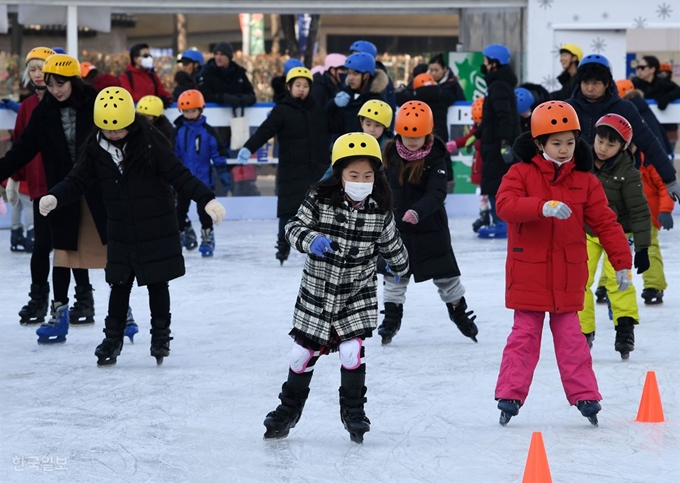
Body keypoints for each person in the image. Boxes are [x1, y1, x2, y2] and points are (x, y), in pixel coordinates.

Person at [38, 87, 226, 366]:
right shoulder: (95, 147)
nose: (113, 135)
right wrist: (55, 196)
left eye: (119, 130)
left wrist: (207, 199)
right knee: (119, 284)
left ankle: (161, 336)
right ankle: (112, 339)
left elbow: (178, 173)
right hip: (121, 228)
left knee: (157, 283)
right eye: (107, 130)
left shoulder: (150, 142)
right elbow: (77, 180)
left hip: (156, 225)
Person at [262, 132, 409, 443]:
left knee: (351, 350)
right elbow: (293, 227)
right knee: (301, 355)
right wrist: (310, 239)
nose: (361, 180)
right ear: (340, 174)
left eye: (367, 175)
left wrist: (401, 267)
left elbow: (392, 244)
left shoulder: (379, 209)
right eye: (353, 175)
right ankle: (287, 410)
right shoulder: (319, 199)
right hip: (318, 292)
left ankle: (354, 412)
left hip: (357, 293)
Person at [494, 101, 632, 426]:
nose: (564, 149)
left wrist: (622, 262)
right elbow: (505, 205)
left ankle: (586, 396)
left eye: (570, 142)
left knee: (573, 340)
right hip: (529, 272)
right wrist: (541, 206)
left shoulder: (585, 181)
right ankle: (510, 396)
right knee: (524, 337)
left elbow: (606, 224)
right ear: (539, 143)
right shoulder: (520, 173)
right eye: (556, 143)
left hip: (568, 276)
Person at [0, 54, 107, 342]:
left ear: (74, 81)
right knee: (62, 253)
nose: (55, 90)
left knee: (112, 251)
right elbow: (23, 149)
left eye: (60, 84)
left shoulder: (95, 101)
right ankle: (59, 312)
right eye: (50, 84)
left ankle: (124, 311)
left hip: (97, 189)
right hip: (61, 190)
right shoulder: (44, 110)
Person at [378, 101, 479, 345]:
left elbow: (437, 192)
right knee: (394, 277)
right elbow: (380, 184)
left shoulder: (436, 157)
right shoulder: (390, 153)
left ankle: (458, 312)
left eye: (418, 136)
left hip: (431, 229)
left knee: (447, 278)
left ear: (428, 133)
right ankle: (391, 318)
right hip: (398, 230)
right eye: (407, 135)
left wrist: (417, 211)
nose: (412, 141)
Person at [237, 67, 330, 265]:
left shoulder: (318, 109)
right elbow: (265, 131)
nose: (301, 90)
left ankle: (321, 248)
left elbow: (335, 127)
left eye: (305, 86)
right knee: (288, 211)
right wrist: (248, 147)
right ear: (289, 87)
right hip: (291, 169)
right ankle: (283, 247)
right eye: (297, 85)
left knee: (320, 210)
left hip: (317, 169)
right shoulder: (282, 110)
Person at [578, 113, 651, 360]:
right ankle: (583, 331)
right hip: (587, 233)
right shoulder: (580, 163)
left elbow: (640, 211)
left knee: (619, 281)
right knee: (580, 280)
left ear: (623, 146)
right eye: (600, 141)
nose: (603, 148)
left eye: (611, 144)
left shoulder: (628, 174)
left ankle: (624, 328)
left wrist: (641, 248)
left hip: (619, 234)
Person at [565, 54, 680, 202]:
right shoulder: (567, 108)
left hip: (617, 183)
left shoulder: (625, 109)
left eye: (595, 83)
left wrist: (669, 179)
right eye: (585, 82)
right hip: (576, 181)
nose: (589, 88)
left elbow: (649, 143)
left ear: (607, 84)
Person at [3, 47, 54, 321]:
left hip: (64, 184)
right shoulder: (27, 107)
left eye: (41, 68)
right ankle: (38, 299)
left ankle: (83, 298)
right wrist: (12, 176)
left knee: (73, 248)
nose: (37, 74)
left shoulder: (62, 103)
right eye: (32, 69)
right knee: (42, 246)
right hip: (38, 186)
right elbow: (21, 146)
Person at [173, 89, 231, 257]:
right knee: (180, 211)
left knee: (205, 212)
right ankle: (181, 235)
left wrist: (223, 173)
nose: (190, 114)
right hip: (183, 182)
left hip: (204, 182)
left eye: (193, 110)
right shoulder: (178, 132)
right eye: (186, 111)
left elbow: (218, 154)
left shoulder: (208, 131)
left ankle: (207, 238)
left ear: (201, 109)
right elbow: (172, 155)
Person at [476, 44, 521, 239]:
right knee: (495, 183)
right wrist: (477, 135)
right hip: (494, 142)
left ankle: (501, 222)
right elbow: (492, 117)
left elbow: (505, 117)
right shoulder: (498, 85)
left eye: (486, 61)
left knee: (496, 184)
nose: (484, 65)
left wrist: (504, 143)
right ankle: (499, 220)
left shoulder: (498, 86)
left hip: (497, 146)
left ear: (494, 64)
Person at [638, 148, 674, 305]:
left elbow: (664, 184)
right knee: (612, 250)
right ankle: (605, 284)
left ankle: (654, 286)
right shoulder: (613, 159)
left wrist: (665, 210)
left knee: (648, 248)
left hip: (647, 215)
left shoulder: (648, 160)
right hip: (621, 215)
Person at [448, 96, 488, 232]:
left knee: (487, 192)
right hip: (479, 164)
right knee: (480, 192)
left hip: (487, 165)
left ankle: (492, 216)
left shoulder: (491, 128)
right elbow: (469, 138)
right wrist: (455, 144)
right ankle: (485, 214)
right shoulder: (477, 127)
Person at [326, 53, 388, 136]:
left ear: (366, 75)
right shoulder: (345, 94)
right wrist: (333, 104)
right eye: (349, 73)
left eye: (355, 74)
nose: (351, 77)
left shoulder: (376, 100)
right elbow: (332, 126)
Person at [632, 55, 680, 149]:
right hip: (644, 130)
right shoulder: (635, 83)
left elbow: (678, 90)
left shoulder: (663, 83)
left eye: (642, 67)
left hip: (667, 130)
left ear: (652, 69)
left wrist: (667, 97)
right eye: (638, 67)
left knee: (667, 158)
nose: (639, 70)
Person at [349, 40, 396, 113]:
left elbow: (390, 109)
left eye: (358, 55)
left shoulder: (382, 81)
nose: (354, 59)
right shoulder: (350, 79)